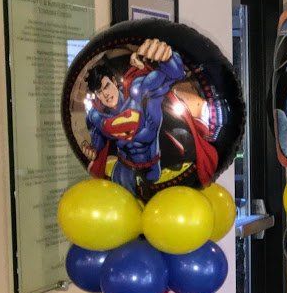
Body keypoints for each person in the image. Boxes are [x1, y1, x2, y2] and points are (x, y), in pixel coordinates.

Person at [83, 38, 217, 195]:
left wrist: (167, 57)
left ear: (114, 81)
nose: (105, 94)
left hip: (156, 169)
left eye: (106, 86)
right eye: (99, 92)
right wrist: (92, 151)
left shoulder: (139, 92)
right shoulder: (99, 117)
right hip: (124, 171)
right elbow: (98, 146)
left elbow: (174, 73)